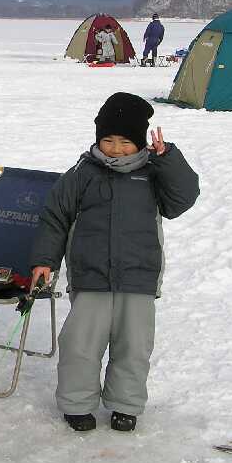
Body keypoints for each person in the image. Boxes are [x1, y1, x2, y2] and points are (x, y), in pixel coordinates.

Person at [30, 92, 199, 433]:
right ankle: (77, 404)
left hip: (138, 277)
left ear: (139, 143)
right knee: (80, 345)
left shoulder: (153, 173)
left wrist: (169, 159)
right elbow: (55, 219)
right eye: (108, 140)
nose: (116, 149)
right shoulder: (82, 173)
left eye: (125, 142)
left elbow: (182, 199)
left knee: (133, 348)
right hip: (91, 277)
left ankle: (125, 405)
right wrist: (45, 260)